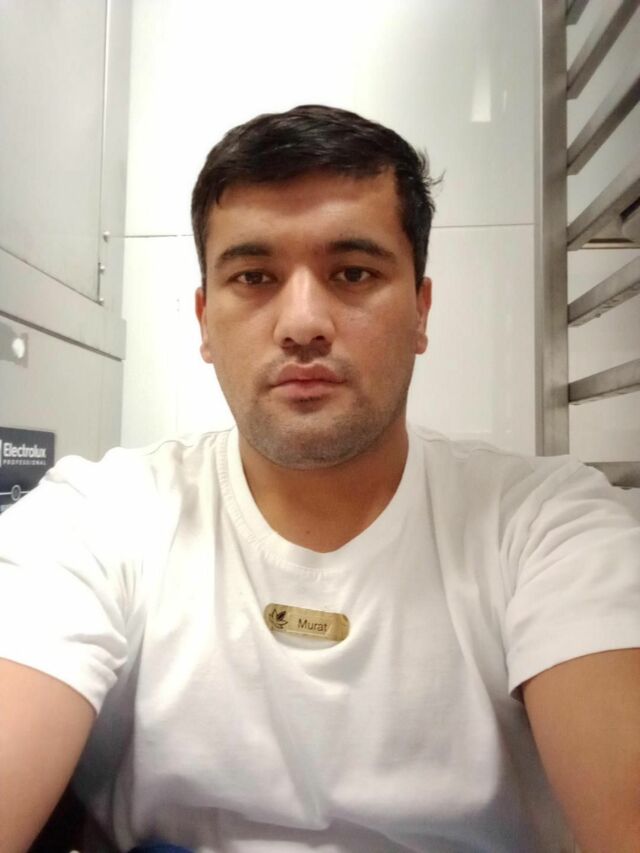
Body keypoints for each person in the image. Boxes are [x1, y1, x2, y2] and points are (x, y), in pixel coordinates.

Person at [1, 104, 639, 853]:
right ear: (204, 319)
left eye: (353, 273)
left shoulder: (545, 528)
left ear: (421, 310)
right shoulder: (97, 520)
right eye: (254, 276)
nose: (302, 322)